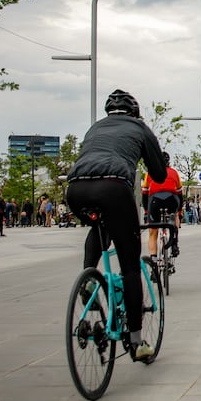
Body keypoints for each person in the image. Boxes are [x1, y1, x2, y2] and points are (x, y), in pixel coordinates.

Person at [65, 89, 167, 361]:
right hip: (113, 186)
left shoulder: (94, 128)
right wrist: (161, 161)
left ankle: (89, 277)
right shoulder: (139, 127)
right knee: (131, 265)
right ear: (134, 112)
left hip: (75, 189)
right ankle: (136, 341)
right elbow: (158, 174)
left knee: (98, 227)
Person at [144, 151, 182, 261]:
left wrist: (147, 212)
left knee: (153, 231)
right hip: (171, 199)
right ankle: (174, 242)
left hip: (155, 200)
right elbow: (180, 195)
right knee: (174, 216)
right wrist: (179, 213)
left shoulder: (149, 173)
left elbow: (144, 194)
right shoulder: (174, 172)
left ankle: (153, 260)